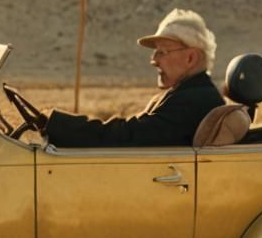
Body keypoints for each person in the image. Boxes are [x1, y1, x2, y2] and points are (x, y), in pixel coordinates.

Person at [43, 9, 224, 148]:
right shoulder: (191, 93)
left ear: (190, 58)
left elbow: (129, 137)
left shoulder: (193, 100)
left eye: (162, 52)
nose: (153, 61)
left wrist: (56, 123)